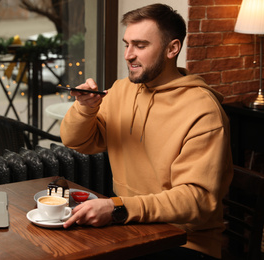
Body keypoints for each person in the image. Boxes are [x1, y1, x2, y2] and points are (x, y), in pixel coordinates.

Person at [60, 3, 233, 260]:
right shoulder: (121, 90)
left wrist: (118, 207)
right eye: (126, 44)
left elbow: (197, 200)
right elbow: (77, 141)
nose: (128, 55)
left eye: (140, 46)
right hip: (132, 229)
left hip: (186, 242)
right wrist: (86, 108)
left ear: (172, 48)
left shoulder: (203, 111)